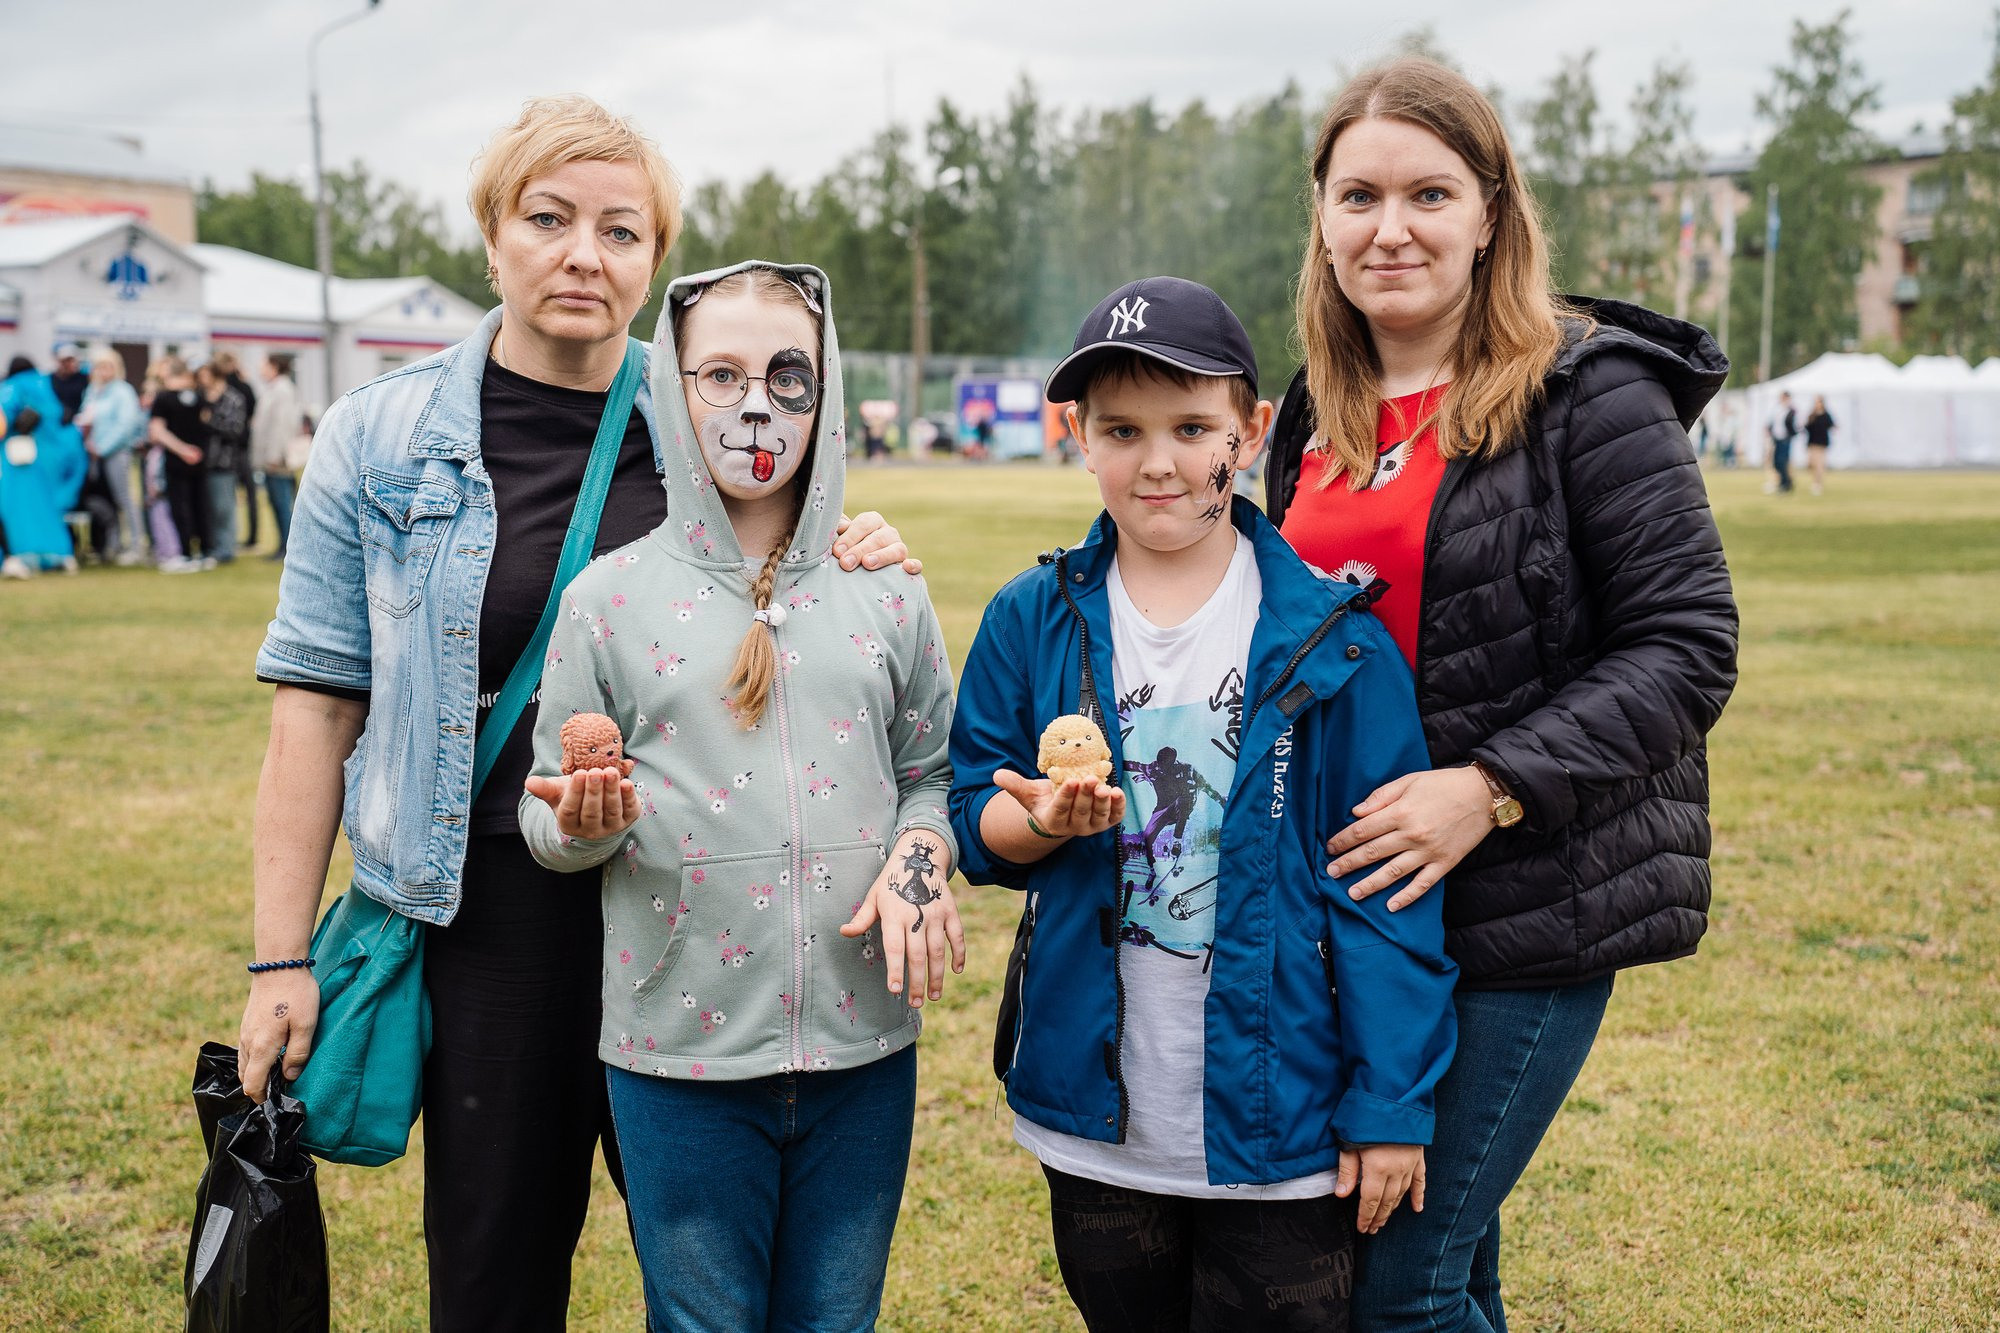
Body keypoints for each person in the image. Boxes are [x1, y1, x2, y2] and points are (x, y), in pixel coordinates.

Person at [233, 96, 916, 1333]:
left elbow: (805, 556)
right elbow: (313, 716)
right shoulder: (377, 438)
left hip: (704, 898)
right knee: (496, 1273)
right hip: (498, 916)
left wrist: (851, 542)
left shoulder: (716, 402)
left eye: (619, 229)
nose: (582, 255)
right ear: (491, 237)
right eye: (547, 219)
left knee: (723, 1281)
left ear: (655, 258)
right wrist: (281, 960)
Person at [1262, 58, 1738, 1332]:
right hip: (1360, 913)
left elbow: (1687, 643)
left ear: (1488, 212)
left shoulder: (1591, 391)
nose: (1390, 227)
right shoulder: (1314, 411)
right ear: (1319, 217)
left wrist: (1487, 791)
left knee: (1394, 1286)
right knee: (1450, 1266)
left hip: (1521, 907)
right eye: (1356, 195)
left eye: (1428, 192)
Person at [951, 276, 1457, 1332]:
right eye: (1122, 430)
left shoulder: (1335, 638)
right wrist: (1038, 821)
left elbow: (1384, 894)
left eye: (1192, 426)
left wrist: (1389, 1104)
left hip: (1283, 1122)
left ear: (1251, 427)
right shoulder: (1028, 618)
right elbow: (973, 825)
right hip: (1095, 1122)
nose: (1159, 462)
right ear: (1078, 438)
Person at [517, 259, 962, 1332]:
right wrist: (581, 826)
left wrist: (915, 867)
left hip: (864, 1049)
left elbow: (929, 774)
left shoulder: (886, 588)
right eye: (719, 375)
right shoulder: (606, 599)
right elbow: (544, 818)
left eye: (786, 375)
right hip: (679, 1057)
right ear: (672, 390)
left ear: (829, 393)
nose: (755, 405)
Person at [1, 356, 87, 572]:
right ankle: (61, 555)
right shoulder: (45, 386)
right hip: (47, 463)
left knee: (14, 510)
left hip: (15, 463)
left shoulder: (11, 388)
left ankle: (16, 558)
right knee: (47, 510)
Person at [78, 355, 149, 564]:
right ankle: (112, 545)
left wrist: (103, 447)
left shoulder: (122, 391)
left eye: (107, 366)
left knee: (124, 498)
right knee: (105, 502)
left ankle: (137, 545)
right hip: (93, 454)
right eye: (99, 366)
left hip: (116, 452)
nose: (103, 371)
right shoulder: (93, 391)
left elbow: (125, 425)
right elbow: (85, 418)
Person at [147, 355, 214, 570]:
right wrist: (195, 450)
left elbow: (157, 432)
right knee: (200, 504)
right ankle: (204, 551)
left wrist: (182, 450)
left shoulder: (163, 398)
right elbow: (206, 424)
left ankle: (184, 553)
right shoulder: (199, 397)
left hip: (177, 459)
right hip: (199, 458)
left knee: (180, 505)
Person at [195, 360, 249, 563]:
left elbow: (236, 429)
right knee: (210, 507)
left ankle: (226, 548)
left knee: (223, 506)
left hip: (224, 461)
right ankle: (214, 546)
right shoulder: (201, 397)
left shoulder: (233, 399)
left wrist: (209, 422)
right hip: (204, 460)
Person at [250, 353, 303, 558]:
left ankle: (287, 547)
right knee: (275, 501)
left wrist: (274, 455)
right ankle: (282, 544)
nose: (260, 369)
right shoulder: (275, 389)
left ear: (274, 366)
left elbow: (281, 426)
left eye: (263, 365)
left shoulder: (282, 391)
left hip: (277, 460)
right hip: (271, 458)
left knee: (282, 503)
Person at [213, 349, 261, 549]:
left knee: (228, 494)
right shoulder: (245, 386)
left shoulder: (222, 389)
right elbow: (252, 414)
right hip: (243, 445)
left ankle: (230, 537)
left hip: (227, 448)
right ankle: (252, 536)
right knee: (250, 494)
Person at [1766, 389, 1798, 494]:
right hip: (1777, 439)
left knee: (1782, 461)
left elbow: (1795, 425)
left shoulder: (1791, 410)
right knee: (1776, 462)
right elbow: (1772, 422)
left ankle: (1785, 484)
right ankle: (1785, 481)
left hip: (1785, 439)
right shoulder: (1777, 409)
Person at [49, 344, 88, 425]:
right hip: (55, 422)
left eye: (73, 360)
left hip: (77, 423)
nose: (71, 364)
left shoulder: (84, 378)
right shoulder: (50, 379)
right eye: (67, 361)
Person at [1804, 394, 1834, 495]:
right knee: (1811, 464)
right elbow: (1807, 427)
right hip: (1812, 443)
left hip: (1821, 444)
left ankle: (1817, 484)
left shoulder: (1826, 415)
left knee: (1819, 465)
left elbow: (1831, 425)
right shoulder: (1812, 415)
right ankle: (1815, 481)